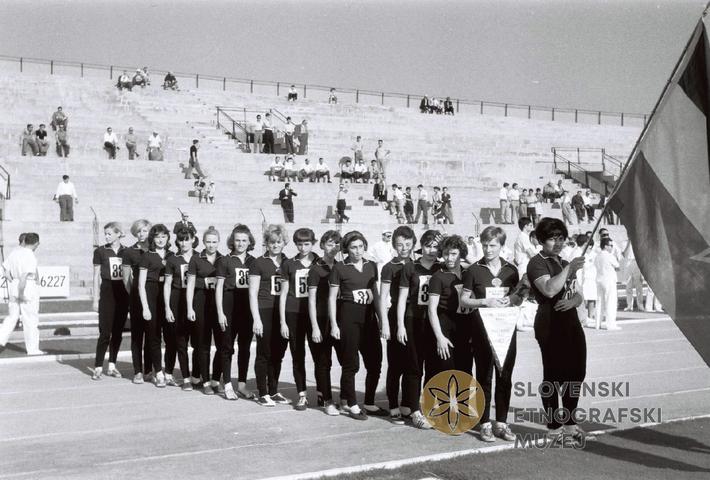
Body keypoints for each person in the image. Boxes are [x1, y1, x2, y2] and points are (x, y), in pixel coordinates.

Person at [527, 217, 587, 443]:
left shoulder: (564, 262)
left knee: (577, 373)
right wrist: (569, 268)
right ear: (542, 240)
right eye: (553, 238)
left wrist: (573, 301)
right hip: (549, 323)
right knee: (553, 376)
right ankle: (554, 428)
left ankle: (570, 423)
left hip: (571, 321)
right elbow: (549, 289)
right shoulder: (537, 263)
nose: (558, 243)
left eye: (561, 238)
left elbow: (578, 294)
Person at [460, 226, 521, 442]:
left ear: (502, 245)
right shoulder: (473, 270)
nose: (488, 249)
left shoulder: (511, 270)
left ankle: (501, 423)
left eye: (493, 245)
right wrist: (486, 301)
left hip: (506, 331)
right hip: (482, 331)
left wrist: (510, 300)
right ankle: (485, 423)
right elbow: (464, 300)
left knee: (505, 377)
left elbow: (518, 297)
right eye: (485, 245)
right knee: (484, 377)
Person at [329, 231, 386, 420]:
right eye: (353, 247)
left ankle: (369, 402)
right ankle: (351, 404)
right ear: (347, 249)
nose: (358, 251)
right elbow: (331, 298)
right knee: (351, 364)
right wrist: (334, 324)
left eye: (361, 246)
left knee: (375, 362)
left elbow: (375, 294)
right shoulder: (340, 268)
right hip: (348, 318)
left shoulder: (371, 265)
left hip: (369, 319)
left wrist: (382, 320)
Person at [249, 225, 290, 406]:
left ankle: (273, 390)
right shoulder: (259, 263)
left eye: (278, 242)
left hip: (282, 312)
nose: (275, 245)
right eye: (272, 242)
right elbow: (252, 293)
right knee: (264, 353)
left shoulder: (287, 262)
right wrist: (256, 319)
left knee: (278, 353)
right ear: (266, 243)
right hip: (265, 309)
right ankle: (262, 392)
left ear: (284, 243)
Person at [215, 225, 257, 400]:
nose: (240, 243)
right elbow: (218, 288)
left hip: (246, 307)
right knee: (227, 346)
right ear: (232, 241)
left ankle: (242, 385)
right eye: (237, 240)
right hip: (229, 304)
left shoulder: (253, 261)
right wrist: (220, 312)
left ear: (249, 242)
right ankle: (227, 384)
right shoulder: (225, 260)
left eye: (244, 240)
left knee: (245, 347)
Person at [378, 226, 415, 425]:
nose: (404, 248)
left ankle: (407, 404)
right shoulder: (388, 267)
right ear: (394, 245)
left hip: (414, 317)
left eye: (408, 244)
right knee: (395, 365)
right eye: (400, 244)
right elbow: (383, 297)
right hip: (395, 318)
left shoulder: (417, 264)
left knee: (412, 364)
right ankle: (393, 405)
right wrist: (384, 323)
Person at [279, 228, 318, 410]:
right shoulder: (289, 264)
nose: (303, 247)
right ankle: (302, 394)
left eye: (307, 244)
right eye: (299, 244)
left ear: (313, 243)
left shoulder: (319, 262)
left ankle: (322, 392)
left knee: (319, 354)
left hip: (315, 314)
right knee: (297, 354)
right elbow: (283, 293)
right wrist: (282, 321)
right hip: (294, 312)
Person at [427, 235, 474, 377]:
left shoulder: (468, 272)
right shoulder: (438, 277)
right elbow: (431, 310)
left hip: (465, 324)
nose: (449, 258)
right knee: (447, 371)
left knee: (465, 371)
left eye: (454, 254)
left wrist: (464, 254)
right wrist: (440, 337)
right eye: (446, 254)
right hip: (445, 324)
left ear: (461, 254)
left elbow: (478, 265)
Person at [187, 227, 224, 394]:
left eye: (214, 242)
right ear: (203, 242)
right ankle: (206, 381)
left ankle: (216, 379)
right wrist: (190, 307)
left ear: (219, 242)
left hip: (218, 304)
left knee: (222, 344)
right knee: (203, 344)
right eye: (208, 242)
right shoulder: (196, 259)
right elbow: (190, 285)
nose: (211, 245)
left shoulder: (223, 259)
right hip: (200, 302)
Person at [164, 227, 201, 391]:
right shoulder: (173, 259)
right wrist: (167, 308)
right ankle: (186, 377)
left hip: (196, 300)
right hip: (177, 300)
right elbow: (167, 285)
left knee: (198, 342)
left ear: (193, 239)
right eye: (181, 239)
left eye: (187, 239)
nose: (184, 243)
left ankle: (196, 376)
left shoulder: (200, 257)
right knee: (181, 342)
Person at [138, 224, 175, 388]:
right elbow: (140, 284)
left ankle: (169, 372)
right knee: (154, 336)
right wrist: (145, 307)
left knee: (171, 336)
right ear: (152, 238)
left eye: (163, 236)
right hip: (151, 294)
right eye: (157, 237)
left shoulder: (172, 255)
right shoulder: (147, 256)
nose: (161, 240)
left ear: (168, 237)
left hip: (168, 296)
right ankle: (158, 372)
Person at [91, 222, 129, 380]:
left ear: (118, 234)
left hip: (123, 293)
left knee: (118, 332)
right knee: (105, 332)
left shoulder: (127, 251)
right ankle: (98, 366)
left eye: (109, 233)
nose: (106, 236)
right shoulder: (100, 251)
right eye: (105, 234)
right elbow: (96, 276)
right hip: (107, 292)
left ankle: (112, 365)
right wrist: (95, 299)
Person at [0, 233, 43, 356]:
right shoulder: (30, 256)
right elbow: (24, 277)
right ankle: (32, 349)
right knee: (30, 318)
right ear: (36, 243)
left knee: (12, 317)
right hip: (26, 287)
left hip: (14, 284)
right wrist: (21, 293)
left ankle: (0, 339)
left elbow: (5, 271)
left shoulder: (15, 253)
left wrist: (13, 281)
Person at [121, 219, 152, 384]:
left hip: (154, 298)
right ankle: (138, 371)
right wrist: (135, 295)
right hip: (136, 299)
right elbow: (126, 279)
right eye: (138, 231)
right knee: (137, 336)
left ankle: (148, 370)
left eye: (145, 231)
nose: (142, 234)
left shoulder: (155, 249)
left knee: (152, 335)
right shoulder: (129, 252)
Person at [594, 237, 620, 330]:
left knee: (599, 302)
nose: (612, 247)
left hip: (599, 279)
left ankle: (597, 324)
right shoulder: (609, 256)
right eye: (610, 245)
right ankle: (610, 324)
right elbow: (617, 266)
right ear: (605, 246)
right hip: (609, 280)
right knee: (610, 302)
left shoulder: (597, 256)